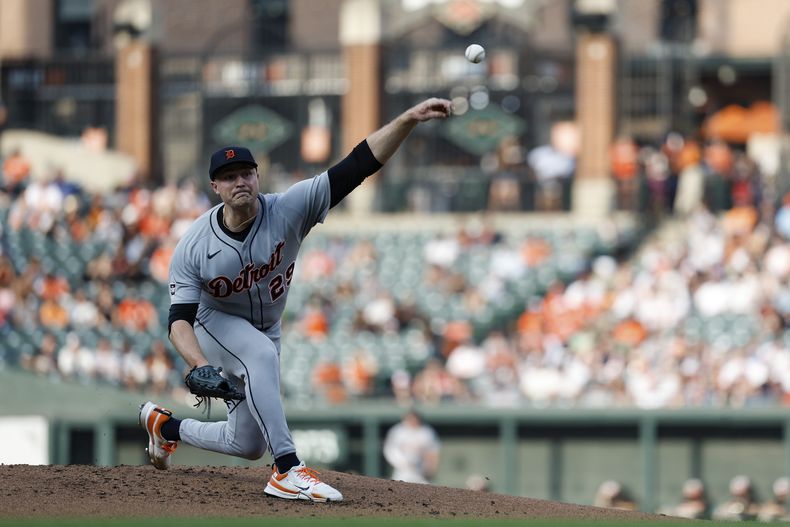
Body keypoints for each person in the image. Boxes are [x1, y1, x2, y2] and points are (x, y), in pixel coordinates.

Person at [138, 97, 453, 503]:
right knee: (260, 357)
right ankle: (287, 469)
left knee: (247, 443)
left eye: (246, 173)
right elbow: (179, 319)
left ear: (257, 175)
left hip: (266, 326)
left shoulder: (289, 207)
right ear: (214, 186)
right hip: (213, 321)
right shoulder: (195, 246)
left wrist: (408, 119)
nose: (240, 182)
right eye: (229, 176)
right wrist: (198, 363)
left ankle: (165, 428)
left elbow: (359, 164)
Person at [383, 409, 441, 484]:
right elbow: (389, 450)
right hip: (402, 470)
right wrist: (402, 462)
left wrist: (431, 469)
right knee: (397, 490)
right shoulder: (398, 431)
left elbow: (433, 452)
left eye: (414, 419)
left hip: (420, 469)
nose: (412, 421)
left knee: (426, 491)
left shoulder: (426, 432)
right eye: (410, 419)